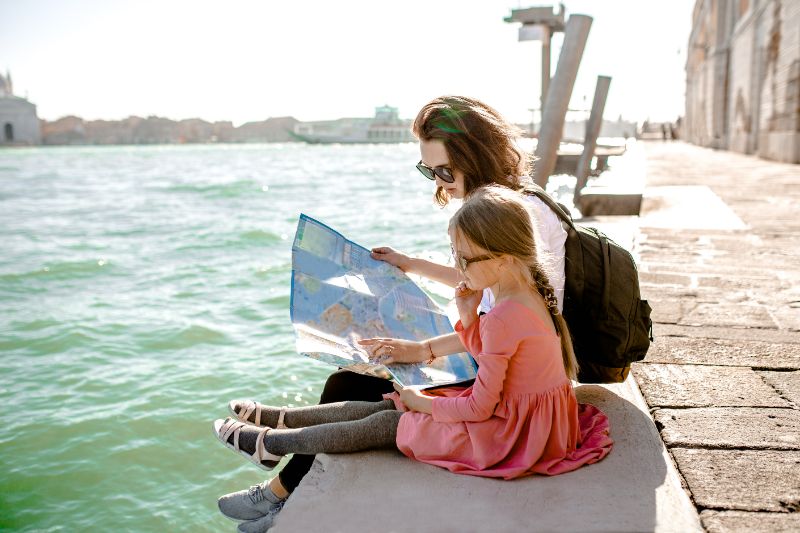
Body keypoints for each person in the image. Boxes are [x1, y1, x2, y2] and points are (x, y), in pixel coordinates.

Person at [214, 96, 569, 530]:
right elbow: (490, 306)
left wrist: (423, 359)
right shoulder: (503, 223)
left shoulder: (515, 219)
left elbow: (500, 338)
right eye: (428, 171)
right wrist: (412, 274)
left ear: (475, 156)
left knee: (373, 398)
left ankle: (278, 480)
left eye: (444, 171)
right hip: (507, 380)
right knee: (356, 383)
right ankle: (277, 444)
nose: (438, 182)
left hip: (507, 405)